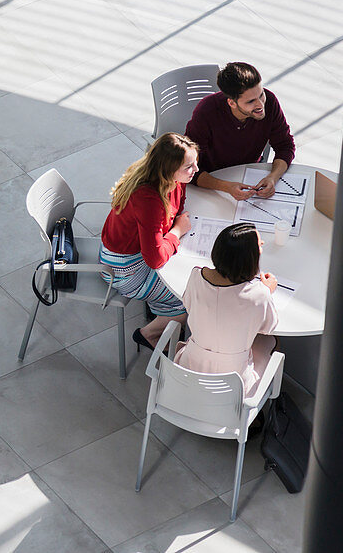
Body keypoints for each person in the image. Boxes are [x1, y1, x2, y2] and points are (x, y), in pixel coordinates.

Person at [100, 133, 198, 349]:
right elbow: (154, 260)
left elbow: (176, 210)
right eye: (189, 167)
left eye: (195, 163)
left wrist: (172, 232)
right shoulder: (148, 199)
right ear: (169, 170)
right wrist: (177, 232)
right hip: (123, 269)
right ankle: (148, 334)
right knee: (190, 302)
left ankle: (162, 313)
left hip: (137, 252)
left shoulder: (170, 180)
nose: (196, 170)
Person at [174, 223, 278, 396]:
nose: (263, 244)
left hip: (190, 368)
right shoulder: (259, 294)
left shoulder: (196, 276)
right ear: (250, 258)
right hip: (233, 382)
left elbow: (189, 305)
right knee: (272, 342)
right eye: (259, 244)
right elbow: (268, 327)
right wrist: (267, 290)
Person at [185, 62, 295, 201]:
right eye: (251, 101)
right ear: (232, 103)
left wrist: (273, 177)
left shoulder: (270, 101)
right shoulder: (206, 111)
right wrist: (226, 187)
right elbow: (187, 167)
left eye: (261, 95)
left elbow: (285, 145)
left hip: (249, 174)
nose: (261, 105)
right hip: (211, 180)